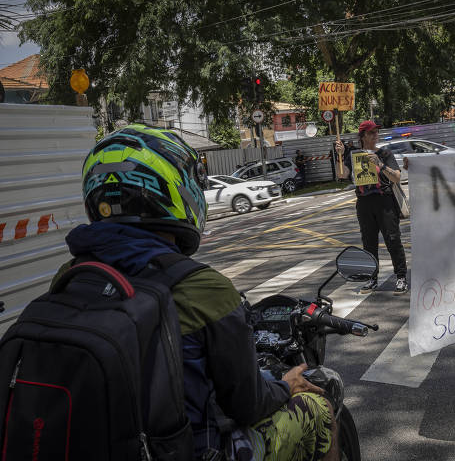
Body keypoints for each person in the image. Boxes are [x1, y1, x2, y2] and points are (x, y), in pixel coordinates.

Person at [70, 124, 338, 460]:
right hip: (193, 451)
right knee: (320, 405)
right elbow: (248, 405)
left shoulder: (71, 278)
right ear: (171, 190)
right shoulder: (201, 287)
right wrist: (287, 385)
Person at [334, 121, 408, 296]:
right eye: (371, 133)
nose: (375, 136)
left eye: (376, 132)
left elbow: (397, 177)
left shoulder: (384, 153)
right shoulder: (353, 156)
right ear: (362, 137)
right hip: (364, 204)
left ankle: (401, 277)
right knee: (369, 243)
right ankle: (372, 278)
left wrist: (380, 165)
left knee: (392, 240)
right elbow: (342, 174)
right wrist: (340, 154)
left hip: (385, 202)